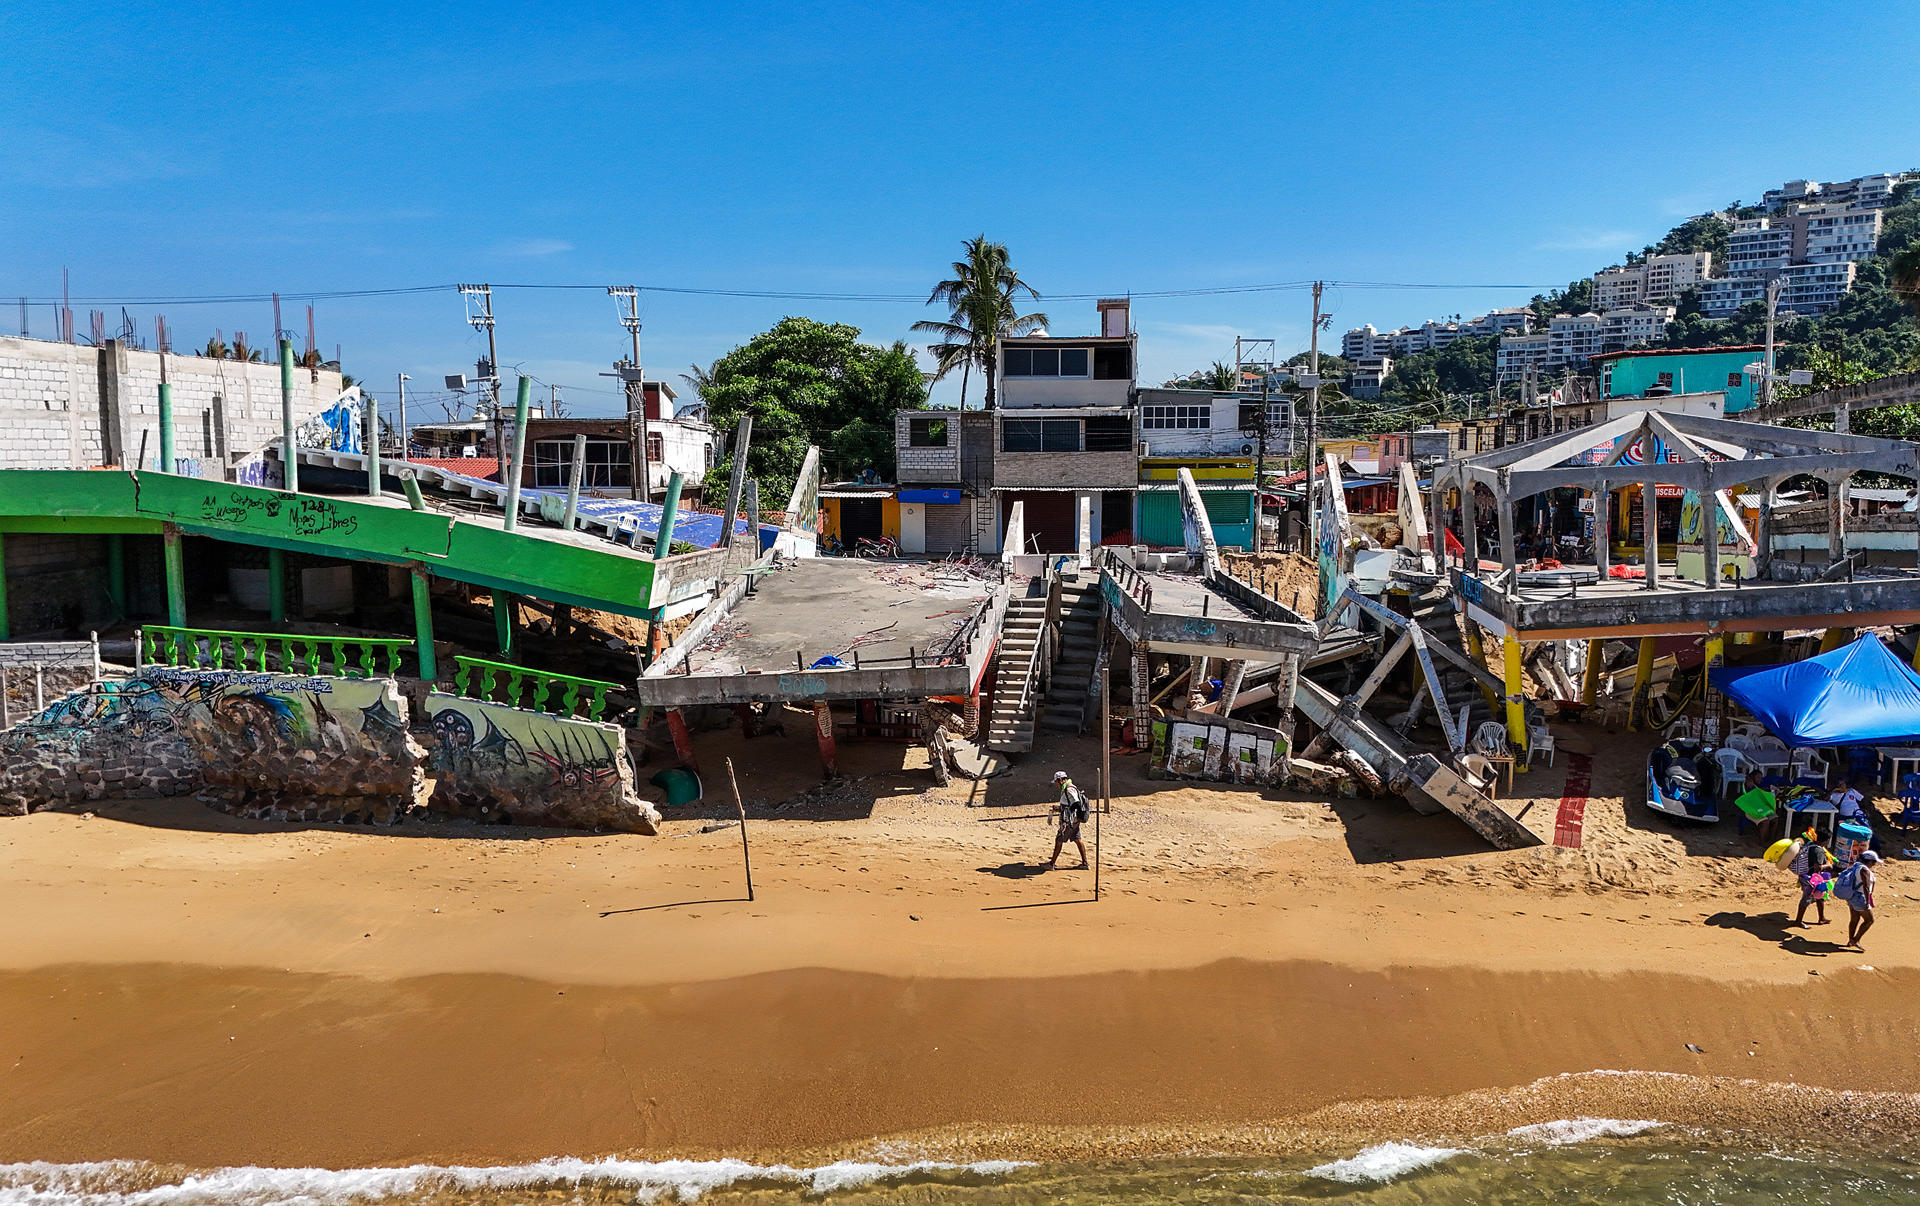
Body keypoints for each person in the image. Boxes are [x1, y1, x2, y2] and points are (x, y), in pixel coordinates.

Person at [1789, 828, 1837, 927]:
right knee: (1806, 899)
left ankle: (1821, 918)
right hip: (1812, 880)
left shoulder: (1810, 844)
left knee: (1821, 897)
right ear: (1827, 840)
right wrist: (1828, 865)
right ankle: (1798, 921)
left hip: (1806, 876)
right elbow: (1818, 867)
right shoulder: (1818, 851)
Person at [1045, 770, 1091, 870]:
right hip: (1074, 820)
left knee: (1059, 840)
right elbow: (1069, 804)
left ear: (1061, 780)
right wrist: (1057, 808)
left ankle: (1051, 864)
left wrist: (1069, 815)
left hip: (1069, 822)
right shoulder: (1068, 788)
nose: (1056, 784)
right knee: (1077, 839)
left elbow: (1076, 804)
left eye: (1056, 782)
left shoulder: (1069, 789)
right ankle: (1085, 863)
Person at [1842, 850, 1881, 950]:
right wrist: (1867, 902)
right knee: (1869, 920)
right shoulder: (1864, 870)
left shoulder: (1856, 866)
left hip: (1852, 896)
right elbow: (1866, 887)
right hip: (1860, 897)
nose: (1874, 865)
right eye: (1874, 862)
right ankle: (1855, 940)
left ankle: (1851, 940)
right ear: (1869, 861)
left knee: (1854, 919)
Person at [1733, 771, 1779, 841]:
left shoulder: (1757, 785)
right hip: (1751, 810)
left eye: (1761, 777)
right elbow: (1756, 790)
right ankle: (1762, 841)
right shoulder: (1749, 785)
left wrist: (1769, 788)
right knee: (1765, 822)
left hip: (1761, 808)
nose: (1760, 779)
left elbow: (1761, 790)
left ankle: (1771, 839)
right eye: (1758, 777)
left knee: (1775, 818)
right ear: (1752, 778)